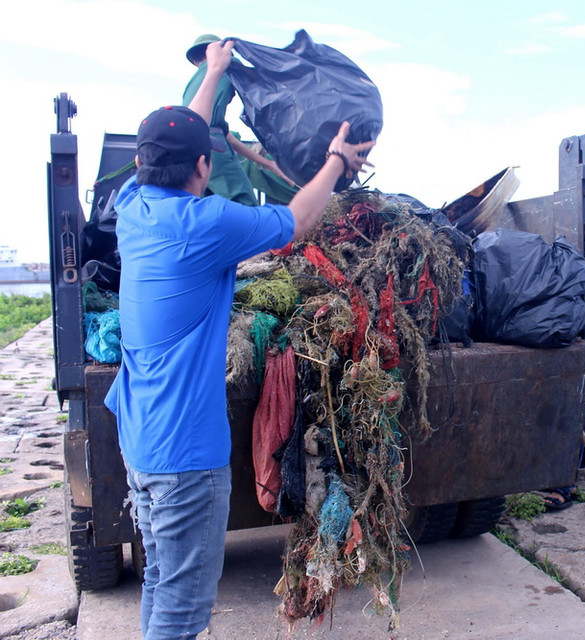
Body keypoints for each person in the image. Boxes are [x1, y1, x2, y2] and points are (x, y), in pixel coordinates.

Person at [104, 38, 375, 639]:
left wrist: (216, 73)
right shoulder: (205, 225)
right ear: (203, 167)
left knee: (159, 584)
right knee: (181, 611)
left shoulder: (134, 204)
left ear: (146, 163)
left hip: (140, 439)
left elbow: (187, 135)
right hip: (184, 458)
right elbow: (300, 220)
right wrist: (336, 159)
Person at [183, 33, 293, 205]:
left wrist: (270, 165)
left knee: (206, 210)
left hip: (189, 151)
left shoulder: (192, 87)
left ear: (196, 60)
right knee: (246, 207)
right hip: (213, 148)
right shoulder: (230, 65)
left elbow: (231, 140)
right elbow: (263, 97)